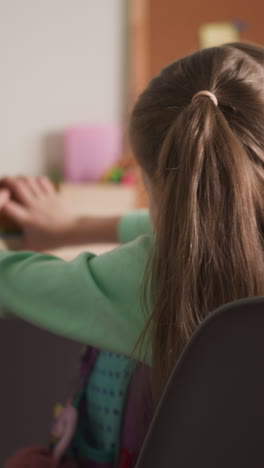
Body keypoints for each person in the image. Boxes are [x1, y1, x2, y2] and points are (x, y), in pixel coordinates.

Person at [1, 42, 264, 403]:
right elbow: (218, 227)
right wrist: (75, 226)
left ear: (158, 188)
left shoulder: (148, 277)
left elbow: (8, 283)